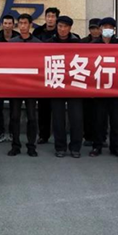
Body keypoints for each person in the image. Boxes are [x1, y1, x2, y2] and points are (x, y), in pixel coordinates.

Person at [88, 17, 118, 158]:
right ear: (100, 29)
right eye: (105, 27)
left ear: (114, 29)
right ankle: (97, 145)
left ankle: (115, 147)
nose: (108, 29)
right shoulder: (93, 45)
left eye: (110, 27)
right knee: (99, 120)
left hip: (115, 88)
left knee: (115, 120)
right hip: (99, 88)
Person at [49, 15, 83, 158]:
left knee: (76, 118)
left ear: (70, 28)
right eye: (60, 26)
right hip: (56, 83)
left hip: (74, 84)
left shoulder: (77, 42)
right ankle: (60, 147)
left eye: (65, 27)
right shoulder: (49, 43)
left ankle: (75, 147)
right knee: (58, 119)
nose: (62, 29)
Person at [7, 13, 40, 157]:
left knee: (31, 117)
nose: (22, 26)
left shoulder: (38, 44)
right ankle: (15, 145)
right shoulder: (12, 43)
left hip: (31, 86)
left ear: (30, 25)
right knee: (14, 116)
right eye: (20, 23)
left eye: (25, 23)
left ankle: (31, 146)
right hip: (15, 85)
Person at [34, 7, 60, 145]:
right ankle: (43, 135)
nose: (50, 19)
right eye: (48, 16)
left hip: (57, 73)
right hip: (41, 74)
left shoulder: (62, 33)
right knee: (43, 108)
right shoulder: (38, 32)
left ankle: (58, 135)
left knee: (57, 108)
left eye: (53, 16)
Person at [0, 14, 17, 143]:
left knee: (14, 109)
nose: (7, 26)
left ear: (13, 25)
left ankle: (13, 132)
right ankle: (0, 132)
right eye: (5, 23)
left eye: (9, 23)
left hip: (15, 80)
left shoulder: (19, 40)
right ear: (2, 25)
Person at [80, 18, 102, 148]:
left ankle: (101, 137)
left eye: (97, 28)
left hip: (102, 82)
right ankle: (87, 136)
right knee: (87, 112)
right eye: (92, 28)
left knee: (101, 113)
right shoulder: (82, 42)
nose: (95, 31)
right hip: (86, 82)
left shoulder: (107, 43)